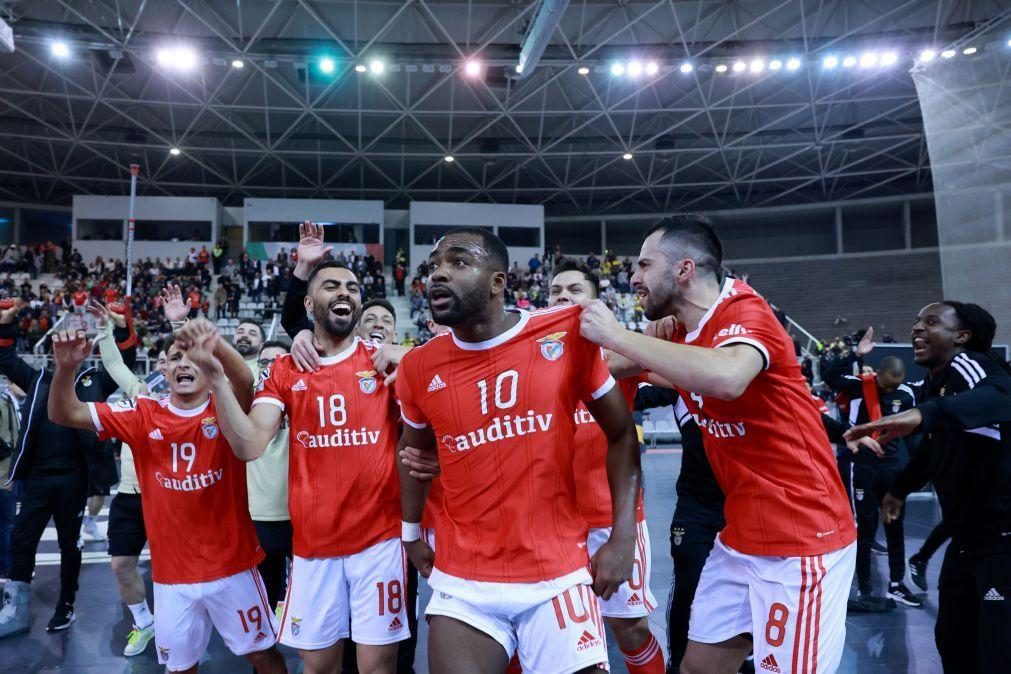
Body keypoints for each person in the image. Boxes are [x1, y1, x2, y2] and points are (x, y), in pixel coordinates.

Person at [578, 214, 856, 674]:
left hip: (802, 540)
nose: (633, 277)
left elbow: (727, 378)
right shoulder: (684, 332)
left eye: (645, 265)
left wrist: (617, 335)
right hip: (740, 538)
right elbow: (621, 369)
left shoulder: (745, 311)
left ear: (684, 270)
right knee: (697, 668)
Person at [396, 228, 642, 673]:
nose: (437, 276)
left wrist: (624, 537)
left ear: (497, 282)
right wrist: (410, 533)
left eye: (457, 263)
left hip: (557, 574)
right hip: (464, 581)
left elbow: (622, 433)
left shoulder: (566, 334)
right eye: (433, 267)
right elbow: (411, 456)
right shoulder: (417, 366)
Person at [47, 321, 287, 674]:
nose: (183, 364)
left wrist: (214, 346)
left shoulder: (226, 410)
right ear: (165, 368)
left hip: (233, 568)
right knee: (179, 667)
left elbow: (244, 380)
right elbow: (63, 413)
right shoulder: (142, 413)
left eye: (193, 357)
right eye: (175, 358)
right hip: (173, 577)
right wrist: (66, 369)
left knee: (263, 654)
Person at [208, 260, 408, 674]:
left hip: (379, 543)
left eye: (352, 287)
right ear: (309, 302)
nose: (345, 293)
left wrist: (408, 353)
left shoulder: (384, 362)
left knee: (378, 667)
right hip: (314, 548)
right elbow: (248, 444)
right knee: (318, 667)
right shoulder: (283, 370)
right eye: (332, 285)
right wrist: (216, 380)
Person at [845, 301, 1011, 673]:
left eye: (931, 322)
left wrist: (922, 414)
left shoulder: (972, 366)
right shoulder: (935, 384)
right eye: (916, 321)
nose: (917, 329)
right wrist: (900, 489)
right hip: (967, 540)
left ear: (962, 336)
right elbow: (935, 448)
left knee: (998, 651)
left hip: (1001, 541)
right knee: (952, 639)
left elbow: (1004, 396)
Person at [547, 260, 665, 673]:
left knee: (629, 628)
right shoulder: (531, 360)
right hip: (552, 527)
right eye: (556, 291)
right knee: (567, 638)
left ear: (597, 302)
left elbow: (681, 373)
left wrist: (654, 338)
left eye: (575, 290)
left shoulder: (622, 353)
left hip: (611, 519)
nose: (563, 296)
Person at [0, 299, 137, 638]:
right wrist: (5, 324)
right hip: (37, 478)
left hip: (75, 479)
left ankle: (66, 604)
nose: (72, 347)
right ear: (54, 350)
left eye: (80, 343)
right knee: (22, 540)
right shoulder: (37, 379)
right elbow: (4, 357)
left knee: (69, 544)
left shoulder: (93, 382)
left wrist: (120, 328)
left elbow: (125, 365)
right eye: (66, 343)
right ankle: (16, 608)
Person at [823, 327, 921, 606]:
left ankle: (896, 584)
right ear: (879, 375)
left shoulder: (906, 394)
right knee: (864, 529)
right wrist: (854, 353)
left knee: (895, 527)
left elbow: (913, 434)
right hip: (862, 465)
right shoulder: (860, 385)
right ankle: (864, 587)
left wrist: (915, 470)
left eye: (895, 385)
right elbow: (830, 377)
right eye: (886, 384)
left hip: (892, 468)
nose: (890, 390)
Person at [248, 339, 293, 611]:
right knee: (266, 588)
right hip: (258, 514)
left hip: (299, 514)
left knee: (307, 597)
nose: (271, 366)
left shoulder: (304, 400)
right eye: (265, 361)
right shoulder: (245, 402)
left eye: (279, 361)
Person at [0, 380, 23, 582]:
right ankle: (6, 567)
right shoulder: (5, 401)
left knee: (8, 523)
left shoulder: (8, 400)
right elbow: (14, 440)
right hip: (5, 474)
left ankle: (7, 566)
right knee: (7, 524)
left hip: (7, 472)